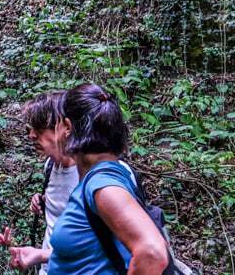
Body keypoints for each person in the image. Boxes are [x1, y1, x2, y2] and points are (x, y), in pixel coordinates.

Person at [45, 83, 170, 274]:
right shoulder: (99, 178)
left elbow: (151, 252)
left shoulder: (100, 183)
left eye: (57, 124)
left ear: (67, 127)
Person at [0, 91, 80, 273]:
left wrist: (41, 255)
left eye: (40, 128)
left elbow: (95, 248)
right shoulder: (50, 166)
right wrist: (43, 200)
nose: (32, 135)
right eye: (30, 128)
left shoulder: (89, 175)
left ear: (66, 127)